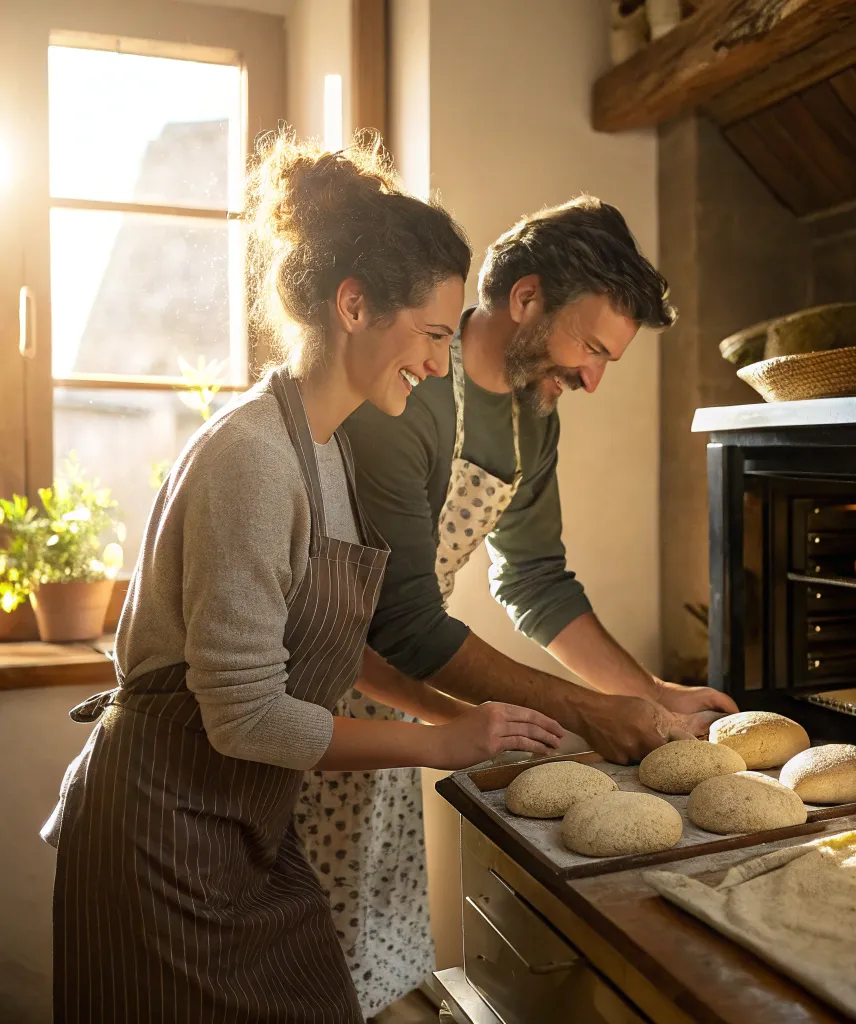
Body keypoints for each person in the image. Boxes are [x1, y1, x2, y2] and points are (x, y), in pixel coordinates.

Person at [39, 133, 569, 1024]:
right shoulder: (252, 457)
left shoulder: (326, 449)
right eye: (432, 336)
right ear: (353, 304)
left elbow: (337, 648)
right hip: (160, 828)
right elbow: (245, 715)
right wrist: (439, 743)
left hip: (242, 827)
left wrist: (464, 720)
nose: (440, 365)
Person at [295, 197, 740, 1014]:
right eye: (591, 348)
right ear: (527, 298)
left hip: (394, 704)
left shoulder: (536, 418)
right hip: (305, 702)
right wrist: (584, 709)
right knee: (295, 964)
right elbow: (406, 622)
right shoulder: (407, 392)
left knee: (363, 959)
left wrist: (650, 693)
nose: (593, 380)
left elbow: (534, 578)